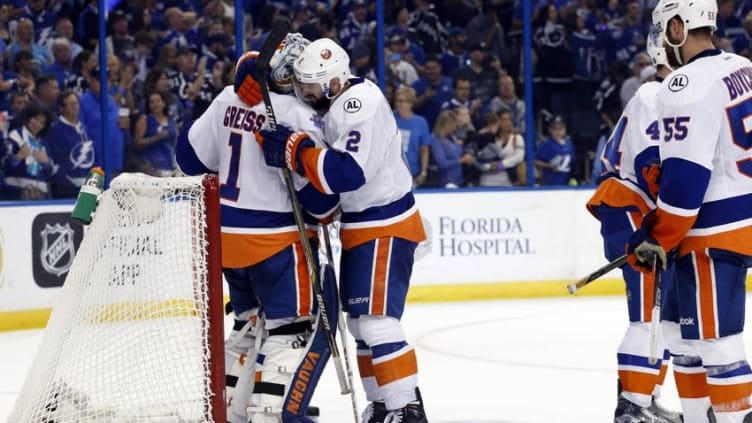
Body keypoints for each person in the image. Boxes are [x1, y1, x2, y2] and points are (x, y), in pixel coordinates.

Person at [254, 37, 429, 422]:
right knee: (360, 325)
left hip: (385, 225)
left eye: (311, 86)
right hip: (362, 226)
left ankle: (407, 410)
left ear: (334, 81)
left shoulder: (357, 103)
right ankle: (384, 405)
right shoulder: (337, 103)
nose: (304, 93)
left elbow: (347, 173)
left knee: (378, 322)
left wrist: (297, 153)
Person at [176, 33, 337, 423]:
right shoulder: (299, 115)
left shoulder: (227, 98)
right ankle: (272, 413)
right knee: (301, 323)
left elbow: (188, 160)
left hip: (226, 241)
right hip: (277, 242)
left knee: (250, 324)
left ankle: (229, 409)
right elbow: (321, 204)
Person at [626, 1, 752, 421]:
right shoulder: (742, 66)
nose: (663, 41)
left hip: (712, 232)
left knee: (717, 342)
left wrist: (655, 236)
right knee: (686, 339)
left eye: (664, 31)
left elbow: (684, 184)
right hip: (742, 214)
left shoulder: (683, 85)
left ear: (678, 28)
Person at [587, 32, 712, 422]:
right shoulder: (653, 95)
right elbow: (651, 168)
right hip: (630, 208)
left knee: (663, 318)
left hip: (642, 213)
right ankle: (632, 407)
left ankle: (645, 398)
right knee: (647, 316)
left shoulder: (673, 96)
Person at [47, 90, 95, 198]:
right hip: (66, 188)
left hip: (88, 188)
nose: (75, 107)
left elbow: (93, 156)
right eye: (71, 104)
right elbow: (54, 159)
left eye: (76, 103)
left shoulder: (85, 129)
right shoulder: (55, 130)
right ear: (61, 108)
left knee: (87, 214)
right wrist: (67, 182)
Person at [393, 86, 432, 187]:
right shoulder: (390, 119)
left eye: (402, 101)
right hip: (391, 173)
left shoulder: (420, 122)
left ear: (410, 103)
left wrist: (423, 172)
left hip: (412, 173)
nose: (398, 104)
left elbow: (424, 149)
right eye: (397, 101)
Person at [534, 115, 575, 186]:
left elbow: (572, 161)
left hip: (566, 183)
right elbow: (535, 161)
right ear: (550, 130)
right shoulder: (547, 145)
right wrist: (550, 166)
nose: (558, 132)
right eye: (555, 129)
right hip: (551, 183)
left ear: (565, 129)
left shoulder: (569, 143)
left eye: (561, 128)